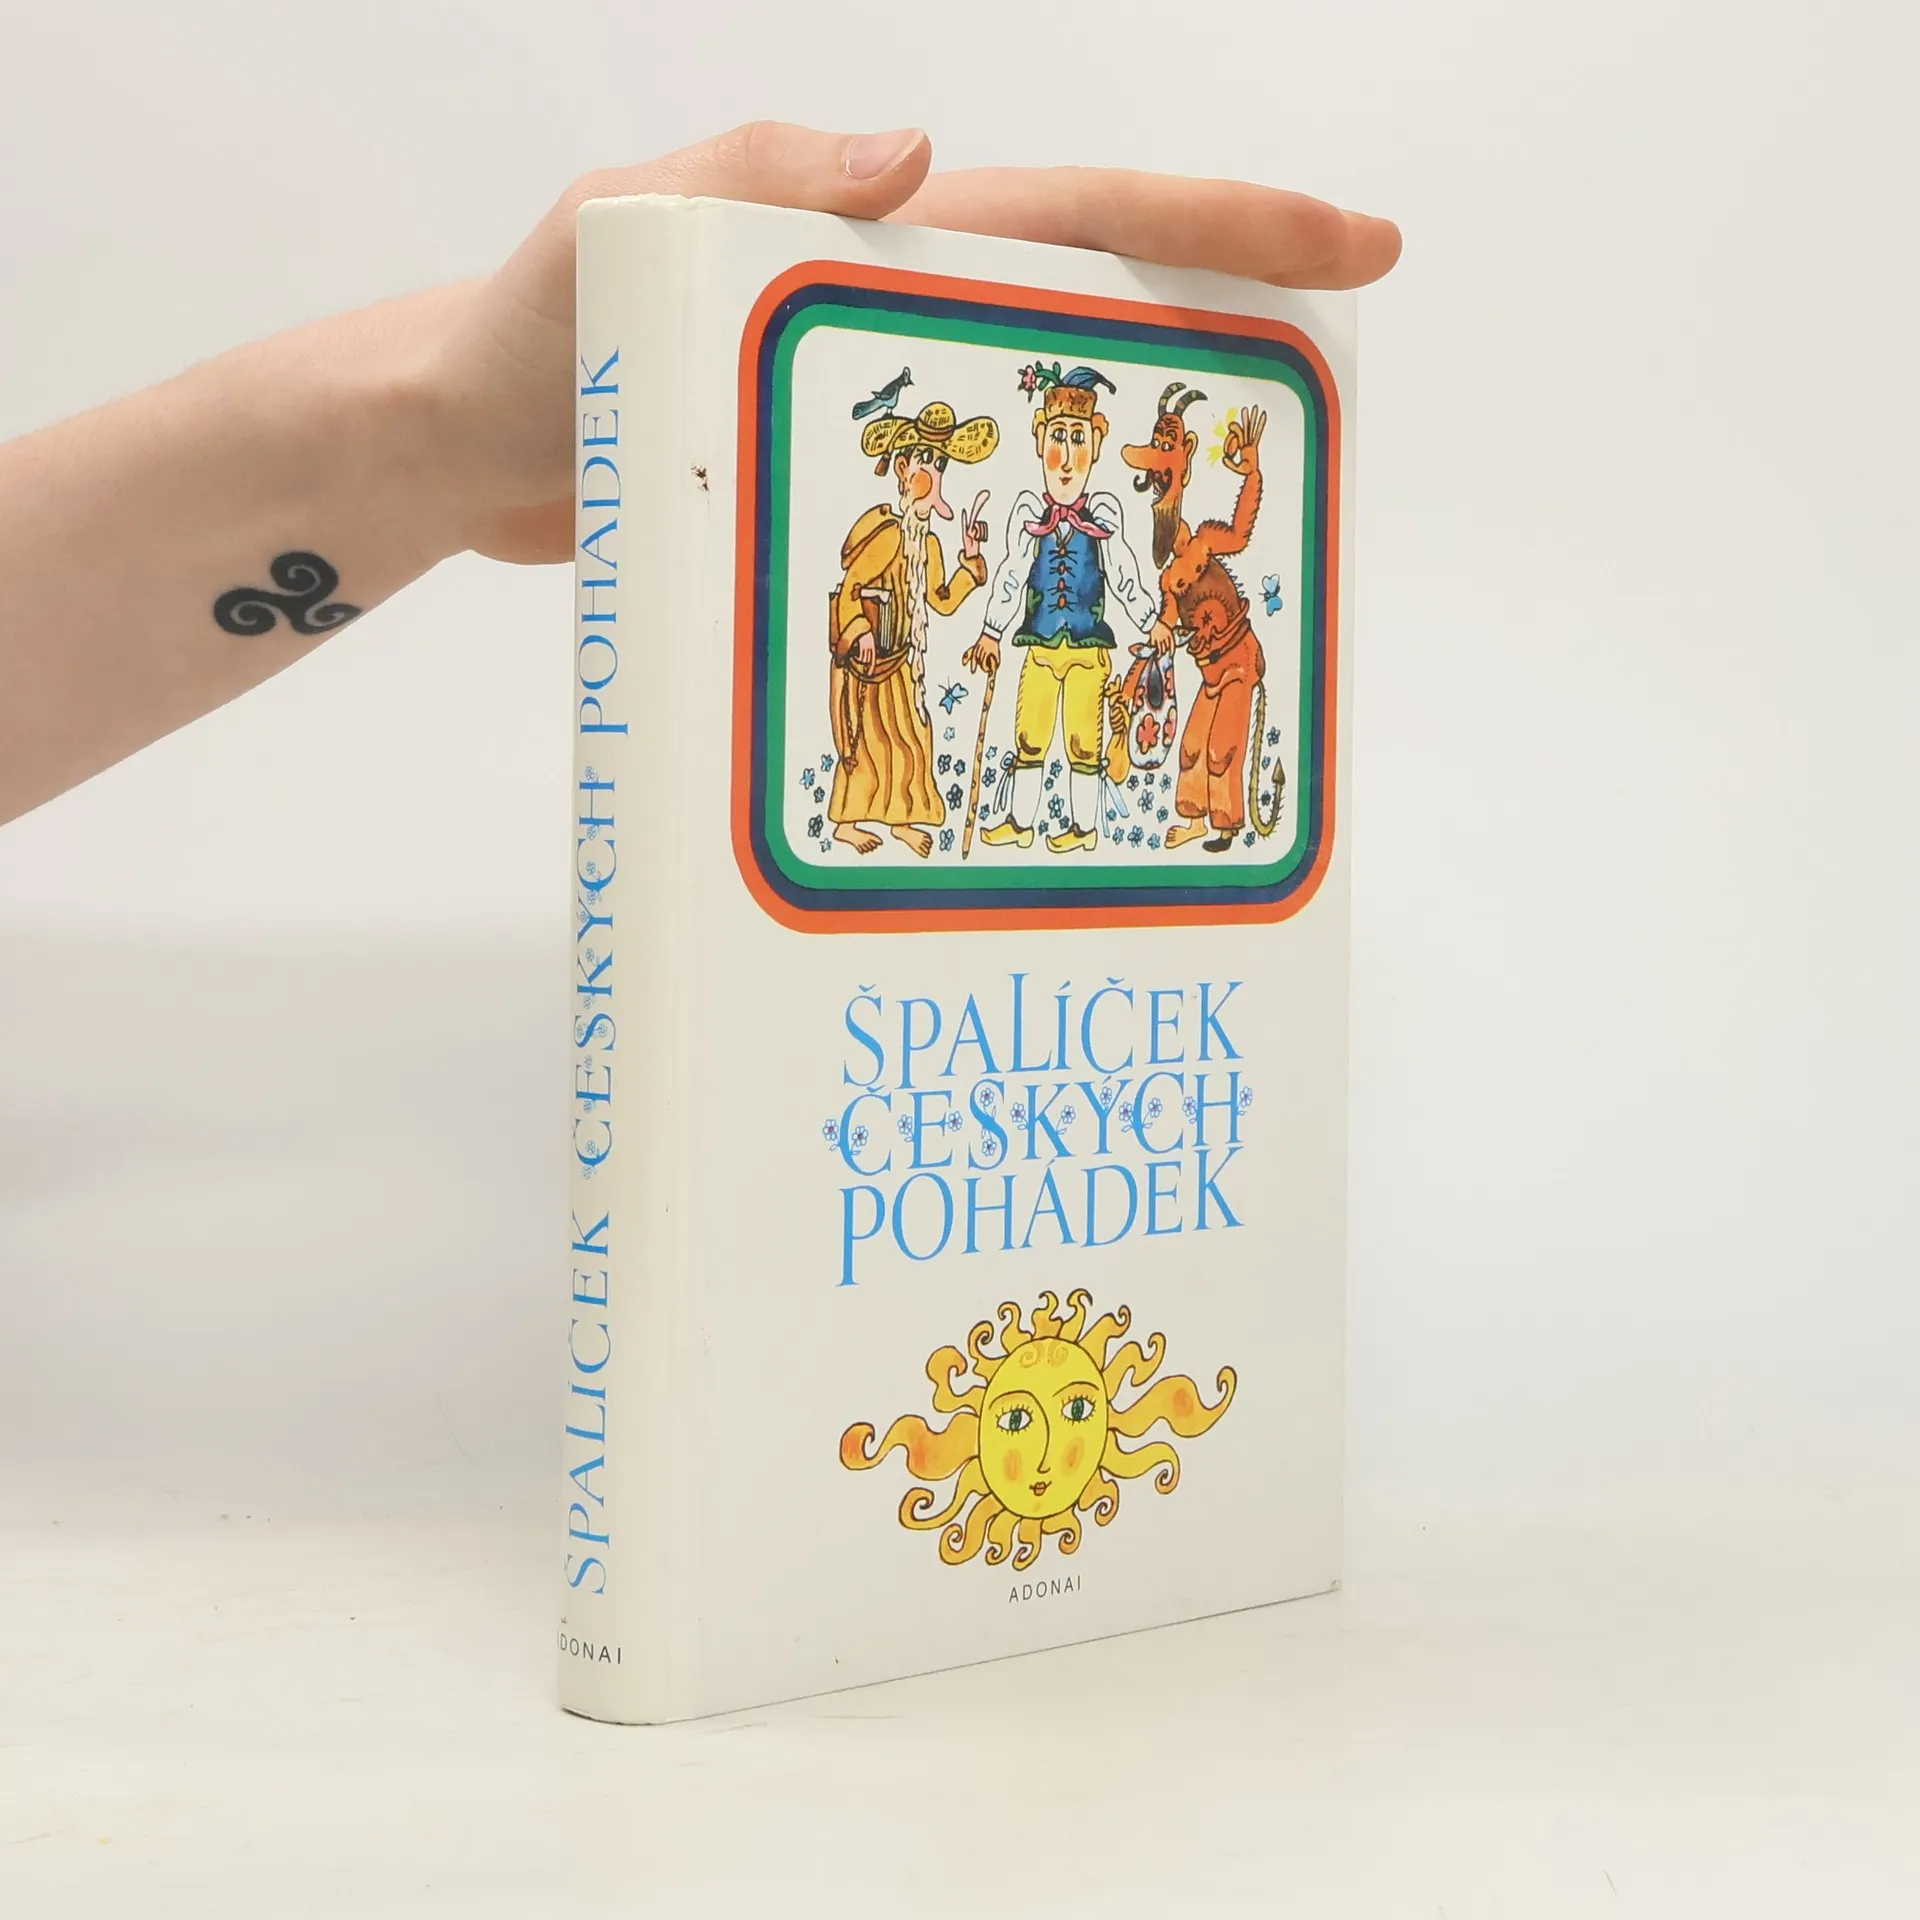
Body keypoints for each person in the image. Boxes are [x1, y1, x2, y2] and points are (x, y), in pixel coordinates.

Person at [0, 121, 1400, 829]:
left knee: (1072, 740)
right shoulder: (991, 514)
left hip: (1077, 647)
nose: (1082, 457)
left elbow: (1104, 569)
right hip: (996, 650)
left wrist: (433, 432)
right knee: (1004, 738)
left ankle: (1069, 812)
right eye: (1076, 440)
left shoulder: (1081, 526)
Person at [968, 365, 1161, 855]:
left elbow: (1123, 573)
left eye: (1079, 440)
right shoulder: (1028, 513)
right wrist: (991, 631)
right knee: (1029, 736)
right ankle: (1020, 822)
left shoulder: (1104, 515)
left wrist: (1149, 620)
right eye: (1058, 438)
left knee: (1083, 741)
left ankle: (1083, 827)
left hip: (1088, 651)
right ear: (1039, 438)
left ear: (1097, 441)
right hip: (1039, 646)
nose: (1068, 459)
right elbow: (1011, 573)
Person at [829, 401, 996, 858]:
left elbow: (941, 598)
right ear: (903, 470)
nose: (935, 476)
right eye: (927, 463)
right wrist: (860, 630)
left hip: (903, 663)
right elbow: (851, 587)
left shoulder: (929, 541)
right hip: (870, 663)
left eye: (940, 465)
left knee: (912, 739)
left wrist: (971, 562)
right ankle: (846, 823)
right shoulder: (889, 536)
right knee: (864, 742)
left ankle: (901, 820)